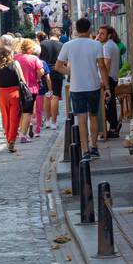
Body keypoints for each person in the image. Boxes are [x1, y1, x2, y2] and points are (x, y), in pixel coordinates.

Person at [55, 17, 109, 162]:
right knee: (93, 116)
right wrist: (107, 86)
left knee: (81, 119)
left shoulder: (68, 45)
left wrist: (71, 72)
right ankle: (94, 147)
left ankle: (85, 150)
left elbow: (58, 66)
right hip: (93, 86)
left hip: (76, 88)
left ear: (76, 30)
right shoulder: (96, 45)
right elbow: (102, 66)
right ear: (89, 29)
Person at [14, 38, 46, 142]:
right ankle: (23, 135)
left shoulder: (15, 57)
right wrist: (37, 76)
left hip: (16, 87)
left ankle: (19, 130)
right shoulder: (34, 59)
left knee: (19, 110)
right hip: (30, 88)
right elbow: (41, 71)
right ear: (30, 48)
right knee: (27, 112)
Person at [98, 25, 122, 137]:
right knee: (110, 104)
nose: (99, 35)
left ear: (109, 35)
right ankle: (114, 126)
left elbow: (106, 64)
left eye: (102, 33)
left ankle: (114, 126)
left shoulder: (107, 46)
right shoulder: (112, 45)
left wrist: (103, 80)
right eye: (99, 33)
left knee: (104, 104)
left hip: (109, 79)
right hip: (112, 78)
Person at [38, 29, 63, 129]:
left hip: (45, 71)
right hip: (57, 71)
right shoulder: (61, 45)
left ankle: (47, 120)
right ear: (59, 36)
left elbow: (38, 58)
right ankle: (54, 122)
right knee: (55, 96)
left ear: (50, 35)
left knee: (47, 95)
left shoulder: (42, 43)